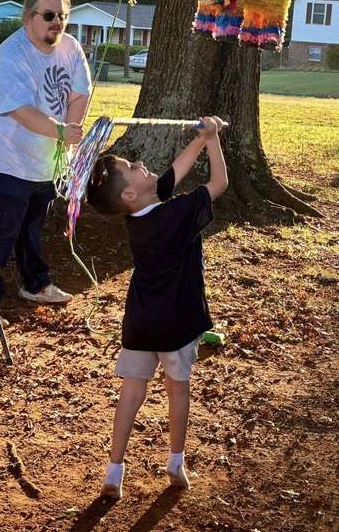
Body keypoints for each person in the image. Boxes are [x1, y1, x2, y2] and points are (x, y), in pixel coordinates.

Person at [87, 116, 228, 499]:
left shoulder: (140, 216)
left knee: (131, 394)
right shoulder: (177, 215)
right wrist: (213, 141)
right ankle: (176, 462)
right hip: (178, 322)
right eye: (133, 168)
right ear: (131, 195)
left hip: (141, 321)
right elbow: (218, 184)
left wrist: (198, 139)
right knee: (177, 390)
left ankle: (114, 470)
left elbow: (169, 177)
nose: (141, 165)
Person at [0, 0, 91, 330]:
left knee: (31, 223)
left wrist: (72, 128)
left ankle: (35, 283)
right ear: (29, 18)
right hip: (3, 154)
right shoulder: (12, 54)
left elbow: (80, 93)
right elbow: (20, 111)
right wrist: (62, 131)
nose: (58, 22)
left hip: (44, 157)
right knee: (0, 226)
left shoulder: (71, 48)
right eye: (49, 15)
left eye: (63, 16)